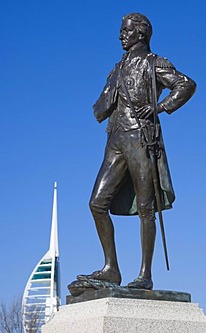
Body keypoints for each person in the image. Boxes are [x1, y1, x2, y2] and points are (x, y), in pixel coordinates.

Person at [83, 13, 196, 290]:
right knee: (97, 203)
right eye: (122, 31)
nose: (121, 35)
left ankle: (145, 275)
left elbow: (186, 84)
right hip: (116, 138)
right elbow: (102, 104)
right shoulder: (117, 67)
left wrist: (160, 107)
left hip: (140, 138)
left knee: (147, 209)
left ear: (141, 34)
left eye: (125, 31)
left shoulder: (155, 63)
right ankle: (111, 269)